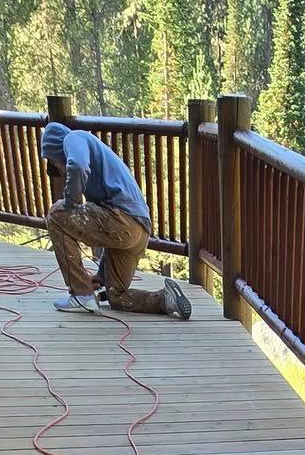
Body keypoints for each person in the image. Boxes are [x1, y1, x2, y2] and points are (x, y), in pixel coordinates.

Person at [39, 121, 191, 320]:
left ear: (55, 151)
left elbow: (77, 165)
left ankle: (81, 296)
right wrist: (101, 276)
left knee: (56, 215)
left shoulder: (72, 138)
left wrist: (69, 202)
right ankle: (165, 300)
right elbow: (107, 227)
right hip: (138, 230)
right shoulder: (95, 156)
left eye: (55, 162)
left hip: (122, 220)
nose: (60, 170)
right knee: (117, 296)